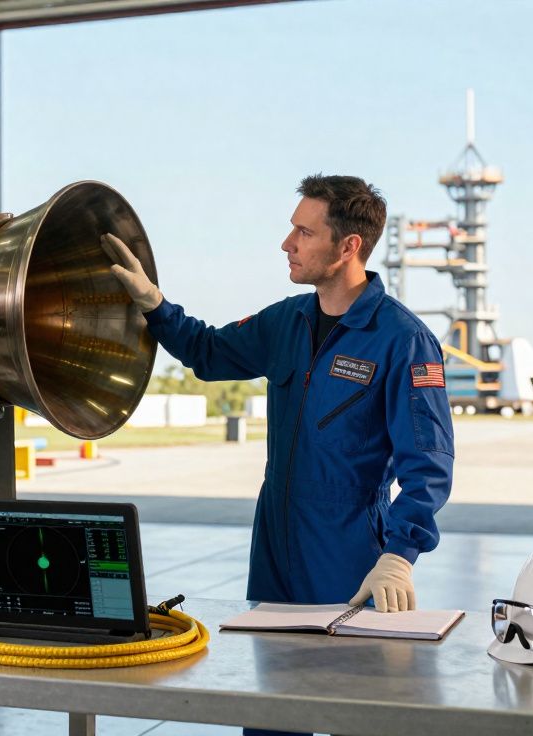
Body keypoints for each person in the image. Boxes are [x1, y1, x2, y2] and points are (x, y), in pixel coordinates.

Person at [104, 175, 453, 735]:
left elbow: (428, 463)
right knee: (269, 713)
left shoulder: (402, 340)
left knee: (351, 710)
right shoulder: (285, 322)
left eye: (303, 231)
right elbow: (208, 351)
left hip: (348, 556)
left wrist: (401, 552)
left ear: (347, 247)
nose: (286, 243)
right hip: (274, 548)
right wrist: (156, 305)